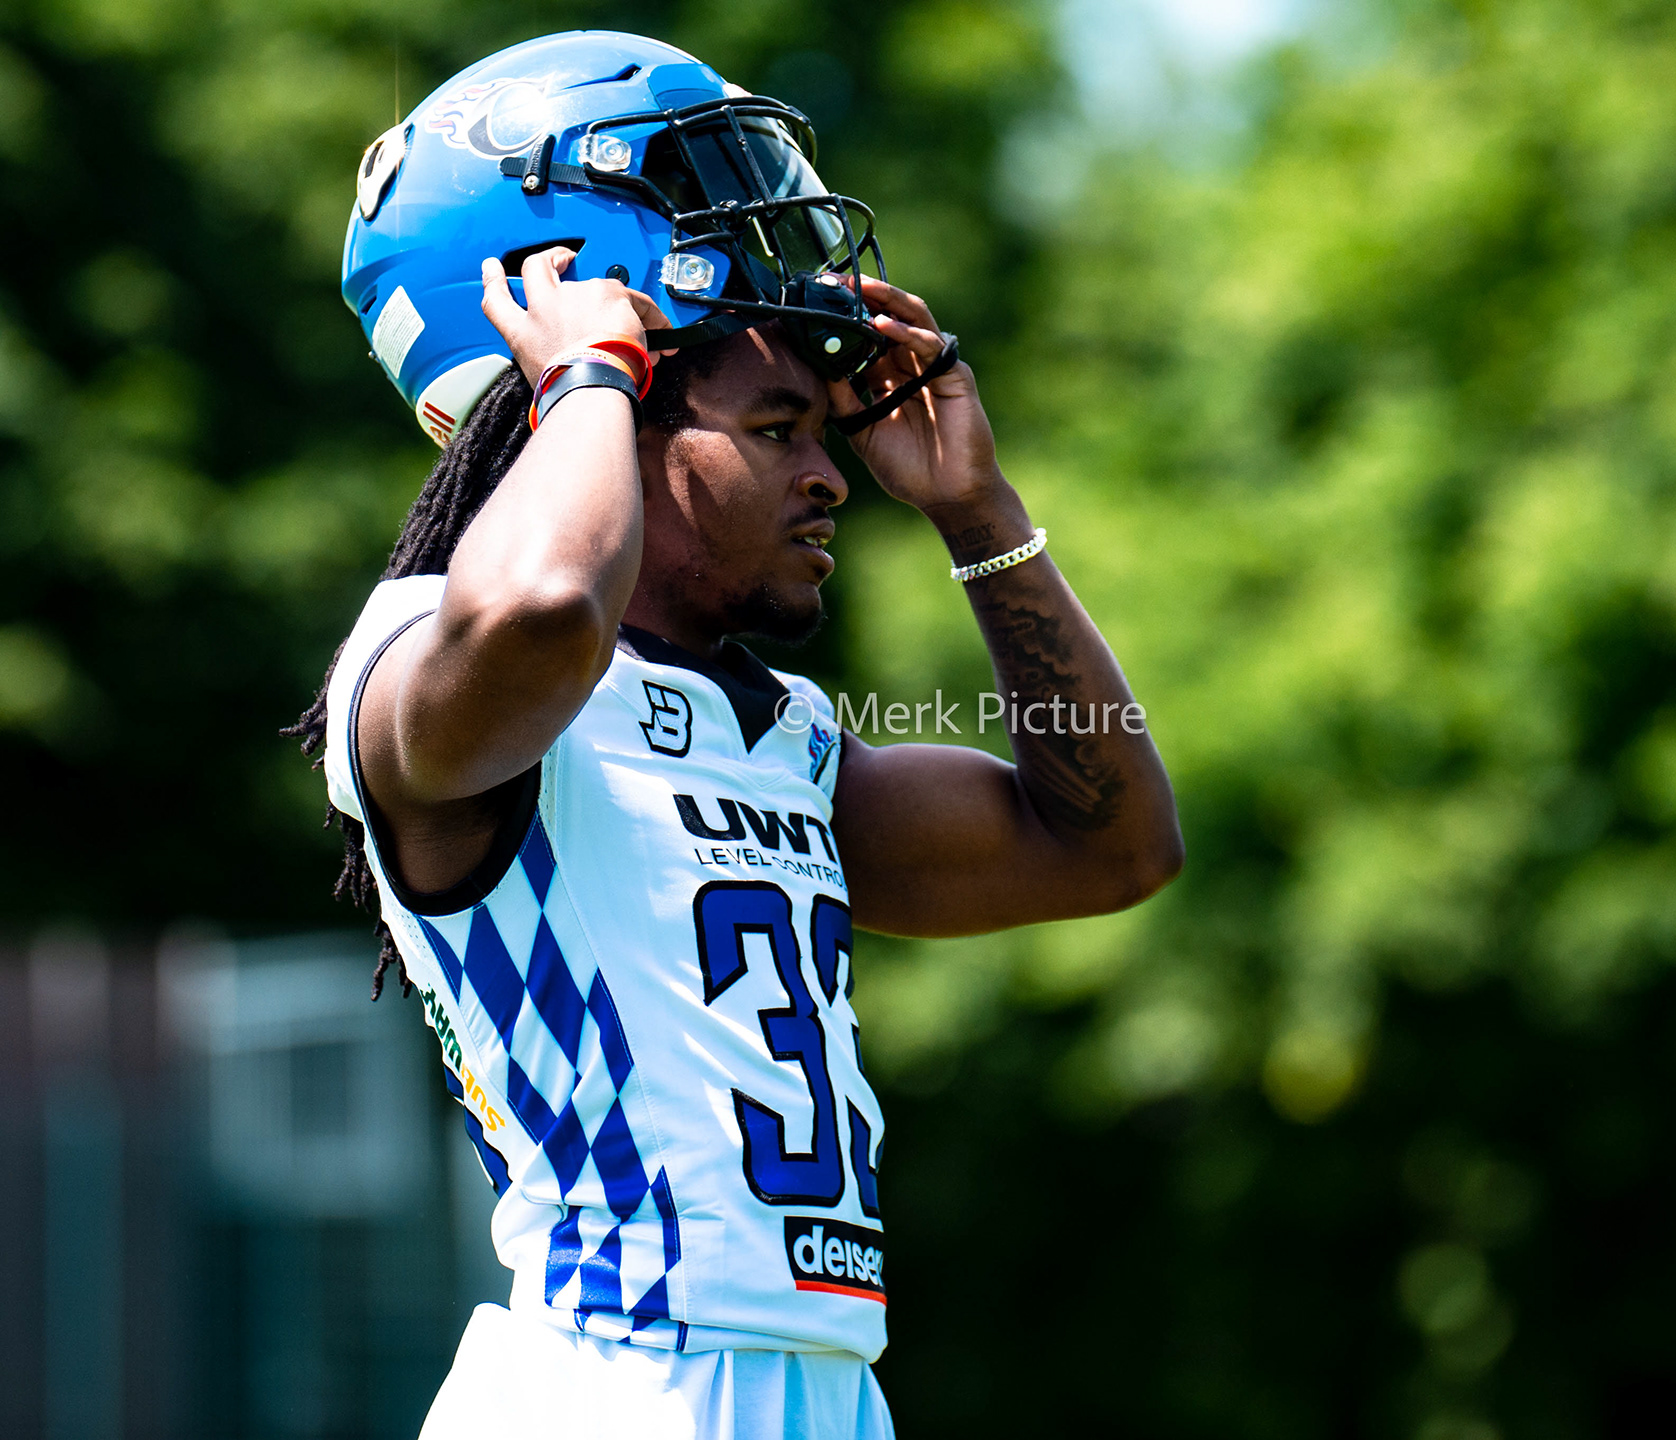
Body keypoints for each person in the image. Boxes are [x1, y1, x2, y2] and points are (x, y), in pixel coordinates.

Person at [290, 30, 1182, 1440]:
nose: (832, 477)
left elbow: (1112, 845)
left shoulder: (781, 736)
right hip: (616, 1384)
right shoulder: (425, 657)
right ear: (595, 385)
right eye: (777, 427)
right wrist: (586, 380)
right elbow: (542, 609)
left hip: (822, 1391)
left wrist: (981, 514)